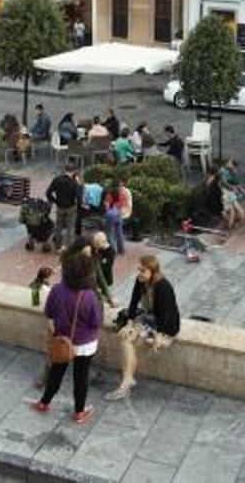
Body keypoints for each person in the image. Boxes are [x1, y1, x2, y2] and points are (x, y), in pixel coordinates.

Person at [31, 250, 102, 424]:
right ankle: (79, 412)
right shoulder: (90, 296)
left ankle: (44, 402)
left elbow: (49, 312)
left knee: (56, 372)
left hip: (62, 340)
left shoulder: (57, 290)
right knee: (81, 377)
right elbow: (96, 322)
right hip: (85, 344)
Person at [105, 255, 180, 401]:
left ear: (153, 271)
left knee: (129, 342)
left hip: (165, 324)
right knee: (125, 338)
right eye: (139, 269)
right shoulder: (140, 281)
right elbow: (133, 303)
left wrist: (158, 334)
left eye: (143, 270)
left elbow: (166, 313)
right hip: (149, 318)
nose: (139, 273)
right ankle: (127, 381)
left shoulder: (163, 286)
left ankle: (126, 384)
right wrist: (129, 323)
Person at [46, 166, 82, 252]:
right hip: (71, 207)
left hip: (60, 206)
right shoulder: (74, 182)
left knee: (58, 227)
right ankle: (70, 248)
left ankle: (58, 247)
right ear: (73, 172)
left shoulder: (57, 179)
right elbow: (79, 196)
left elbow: (48, 192)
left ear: (65, 170)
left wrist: (55, 201)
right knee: (70, 228)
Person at [219, 159, 245, 231]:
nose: (228, 164)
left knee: (234, 212)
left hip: (228, 194)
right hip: (228, 194)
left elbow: (226, 182)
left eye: (229, 163)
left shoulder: (227, 172)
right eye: (228, 162)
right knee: (233, 212)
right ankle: (231, 225)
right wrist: (235, 188)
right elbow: (224, 182)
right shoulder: (224, 171)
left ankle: (231, 226)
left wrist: (237, 189)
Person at [103, 181, 126, 255]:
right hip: (119, 214)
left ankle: (113, 251)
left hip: (110, 216)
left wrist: (109, 209)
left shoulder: (109, 194)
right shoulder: (122, 194)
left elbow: (106, 205)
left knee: (109, 233)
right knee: (119, 233)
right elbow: (122, 204)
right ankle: (121, 250)